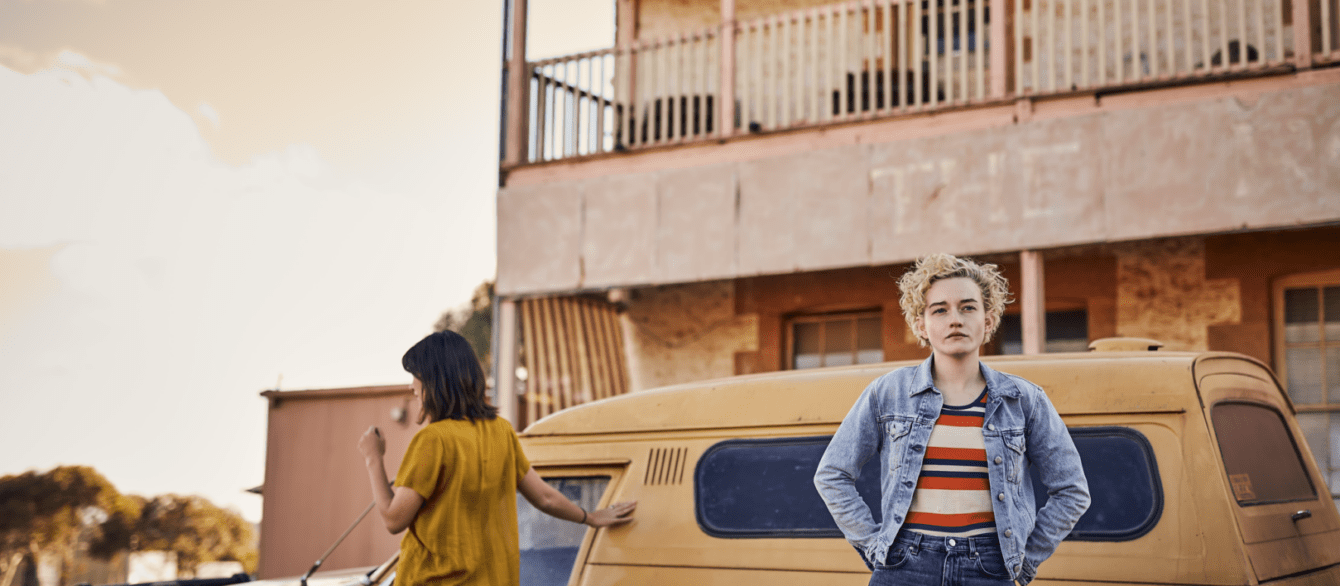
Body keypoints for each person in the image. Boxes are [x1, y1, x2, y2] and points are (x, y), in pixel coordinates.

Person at [814, 253, 1089, 586]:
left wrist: (1026, 560)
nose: (955, 319)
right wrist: (874, 546)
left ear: (988, 321)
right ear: (921, 324)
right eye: (940, 309)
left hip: (990, 567)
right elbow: (832, 474)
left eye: (968, 307)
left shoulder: (1025, 400)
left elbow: (1071, 491)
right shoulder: (888, 393)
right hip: (906, 564)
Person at [358, 330, 637, 585]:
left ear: (434, 380)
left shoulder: (433, 439)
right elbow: (544, 497)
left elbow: (394, 520)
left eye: (415, 376)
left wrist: (374, 458)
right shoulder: (500, 431)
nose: (412, 386)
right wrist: (590, 517)